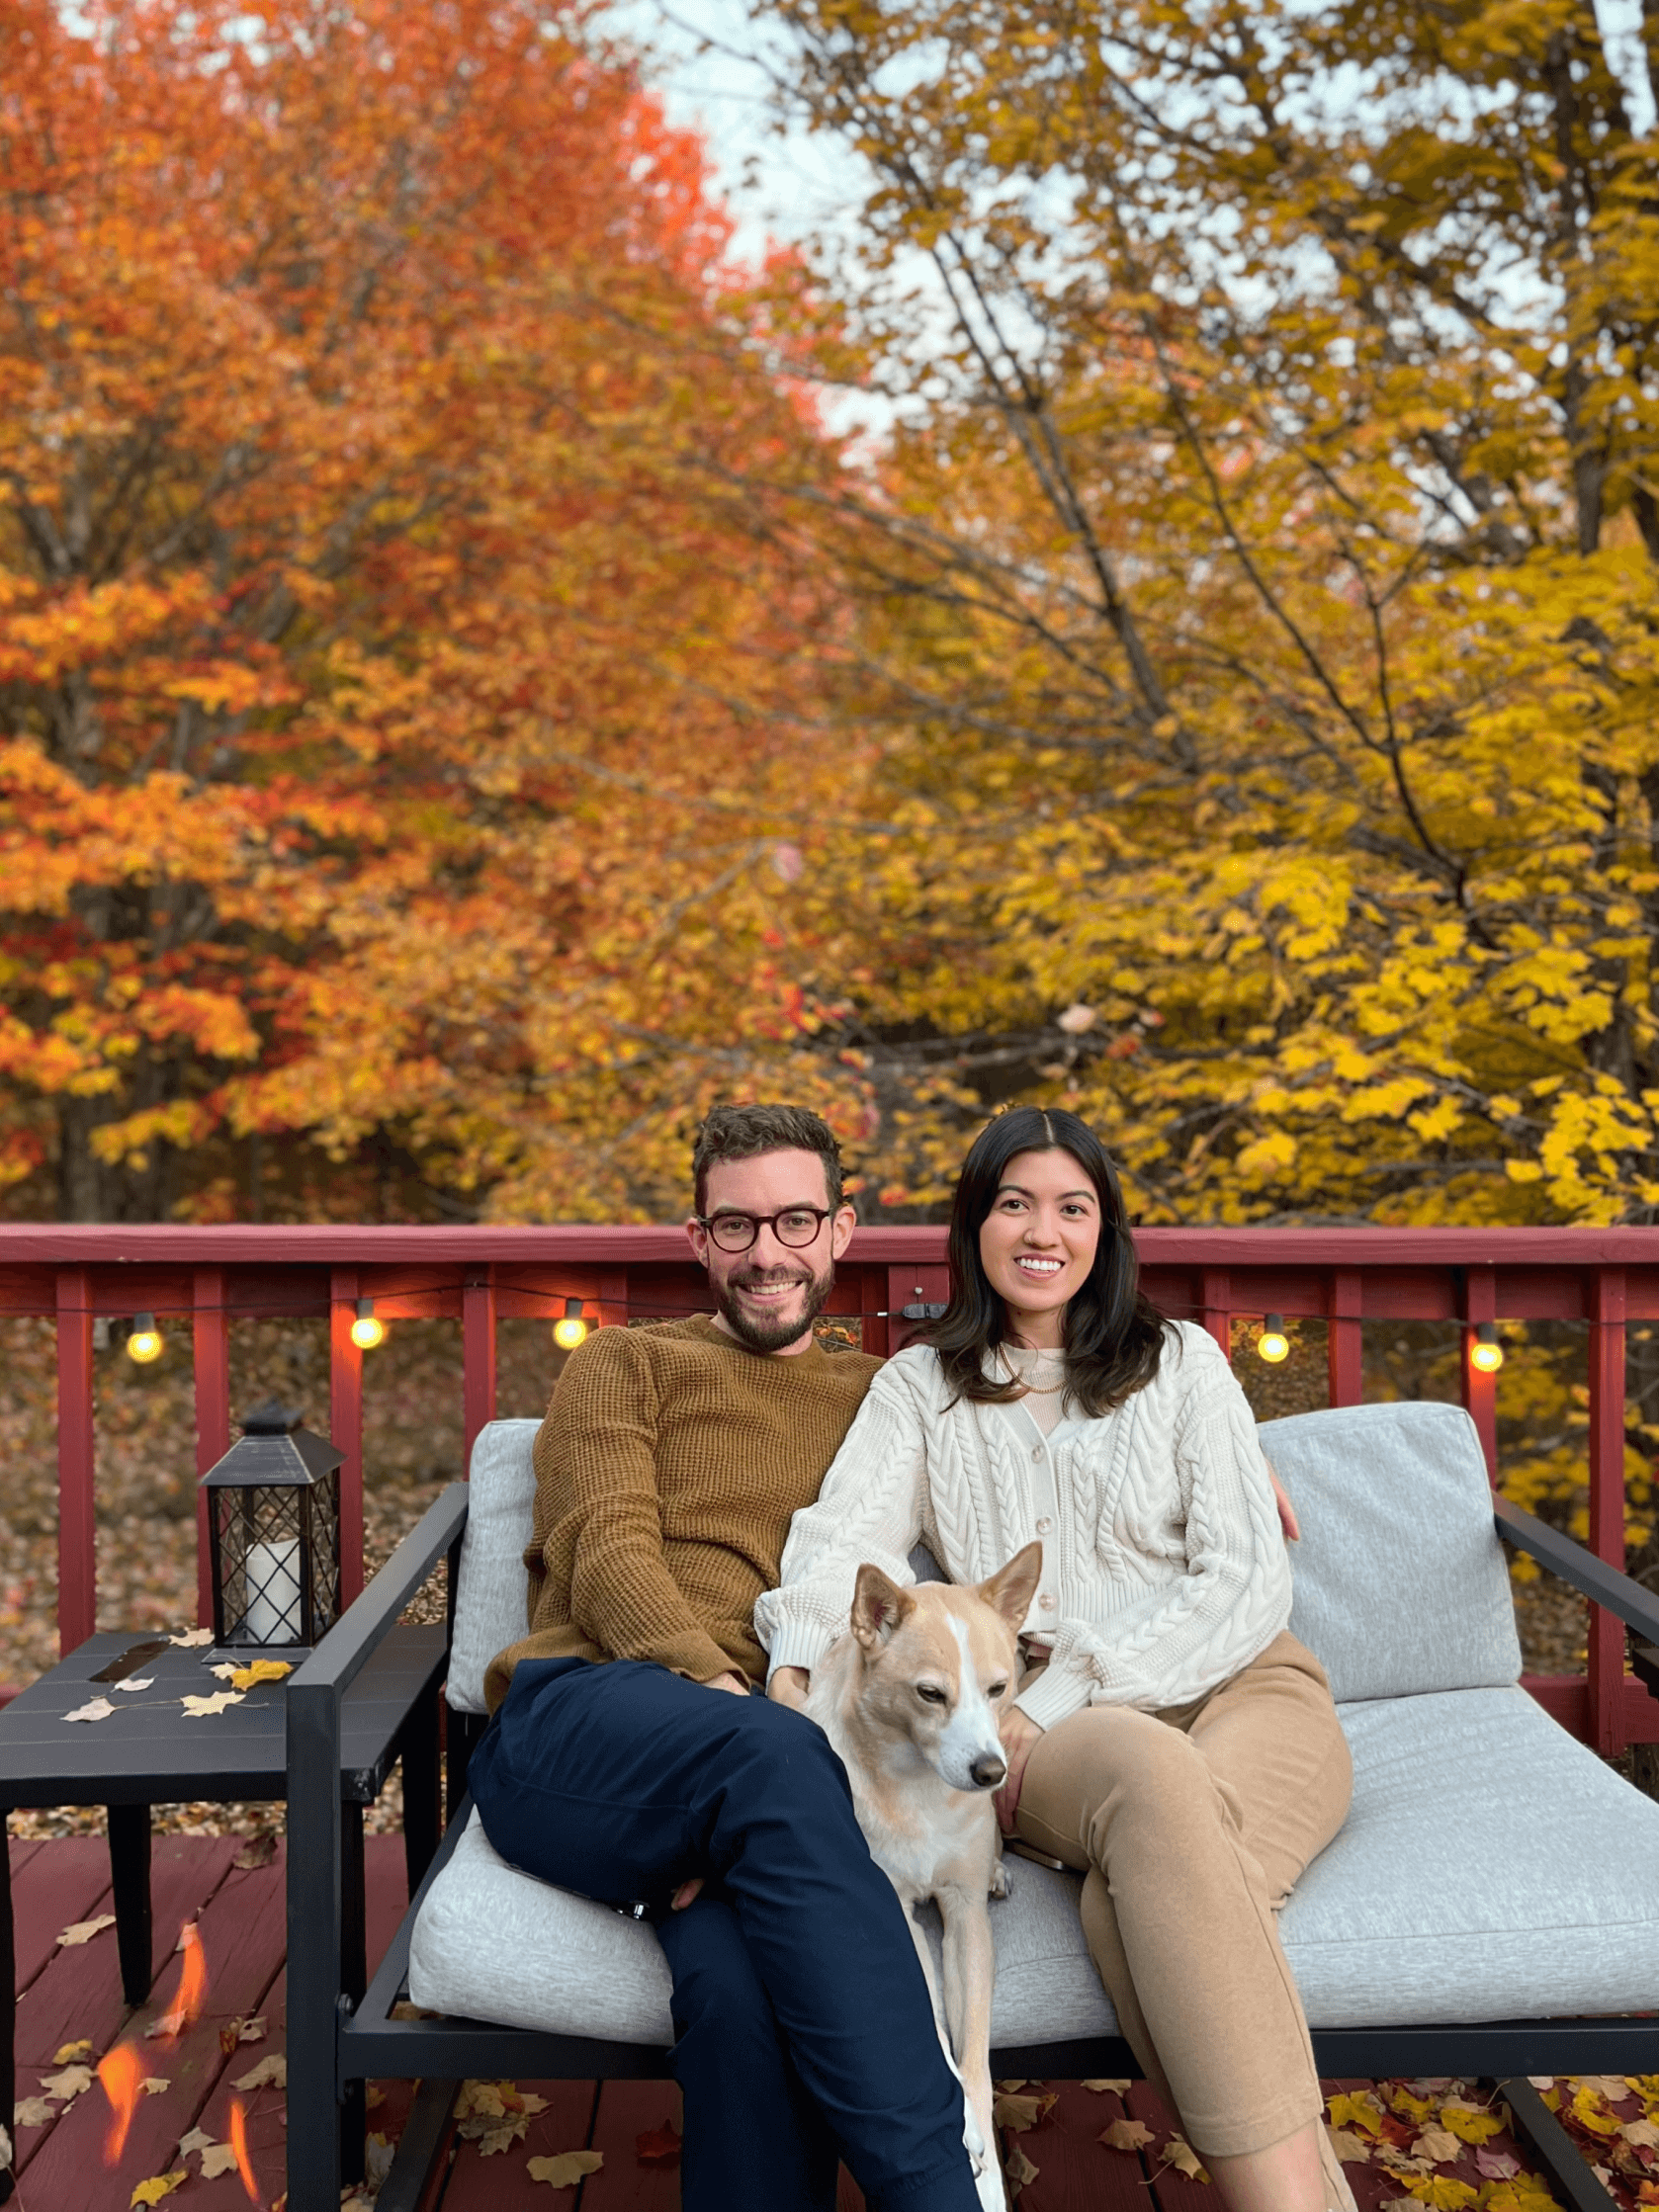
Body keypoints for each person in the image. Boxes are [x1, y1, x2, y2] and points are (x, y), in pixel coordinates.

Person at [758, 1105, 1356, 2212]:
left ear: (1104, 1230)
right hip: (1067, 1744)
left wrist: (1074, 1678)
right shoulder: (920, 1387)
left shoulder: (1182, 1364)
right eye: (1015, 1202)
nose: (1044, 1229)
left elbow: (1244, 1580)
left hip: (1248, 1688)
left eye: (1072, 1206)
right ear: (975, 1226)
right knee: (1148, 1780)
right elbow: (843, 1545)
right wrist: (794, 1681)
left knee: (1137, 1903)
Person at [469, 1102, 984, 2212]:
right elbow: (604, 1548)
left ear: (842, 1231)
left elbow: (1034, 1467)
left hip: (757, 1790)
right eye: (736, 1225)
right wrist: (730, 1703)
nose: (768, 1252)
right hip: (586, 1723)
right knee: (772, 1758)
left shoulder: (883, 1397)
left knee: (740, 1996)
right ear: (698, 1240)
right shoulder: (622, 1365)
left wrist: (1226, 1445)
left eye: (796, 1220)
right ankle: (944, 2195)